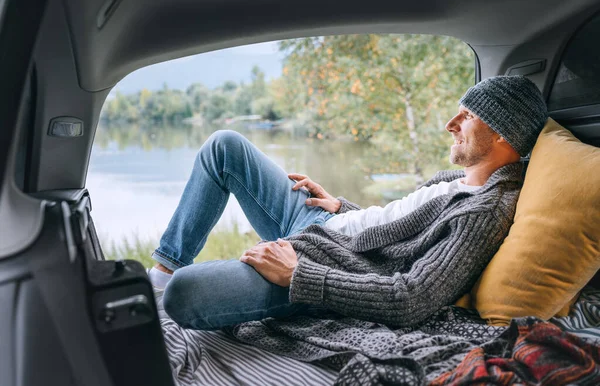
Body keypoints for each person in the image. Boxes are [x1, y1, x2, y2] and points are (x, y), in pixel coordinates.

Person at [149, 75, 547, 330]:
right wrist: (341, 208)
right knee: (225, 146)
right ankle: (163, 268)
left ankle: (169, 285)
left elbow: (410, 298)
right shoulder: (454, 180)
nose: (450, 125)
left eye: (467, 117)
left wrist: (298, 274)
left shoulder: (484, 211)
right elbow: (396, 225)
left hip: (325, 263)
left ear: (502, 135)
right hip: (323, 225)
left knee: (184, 294)